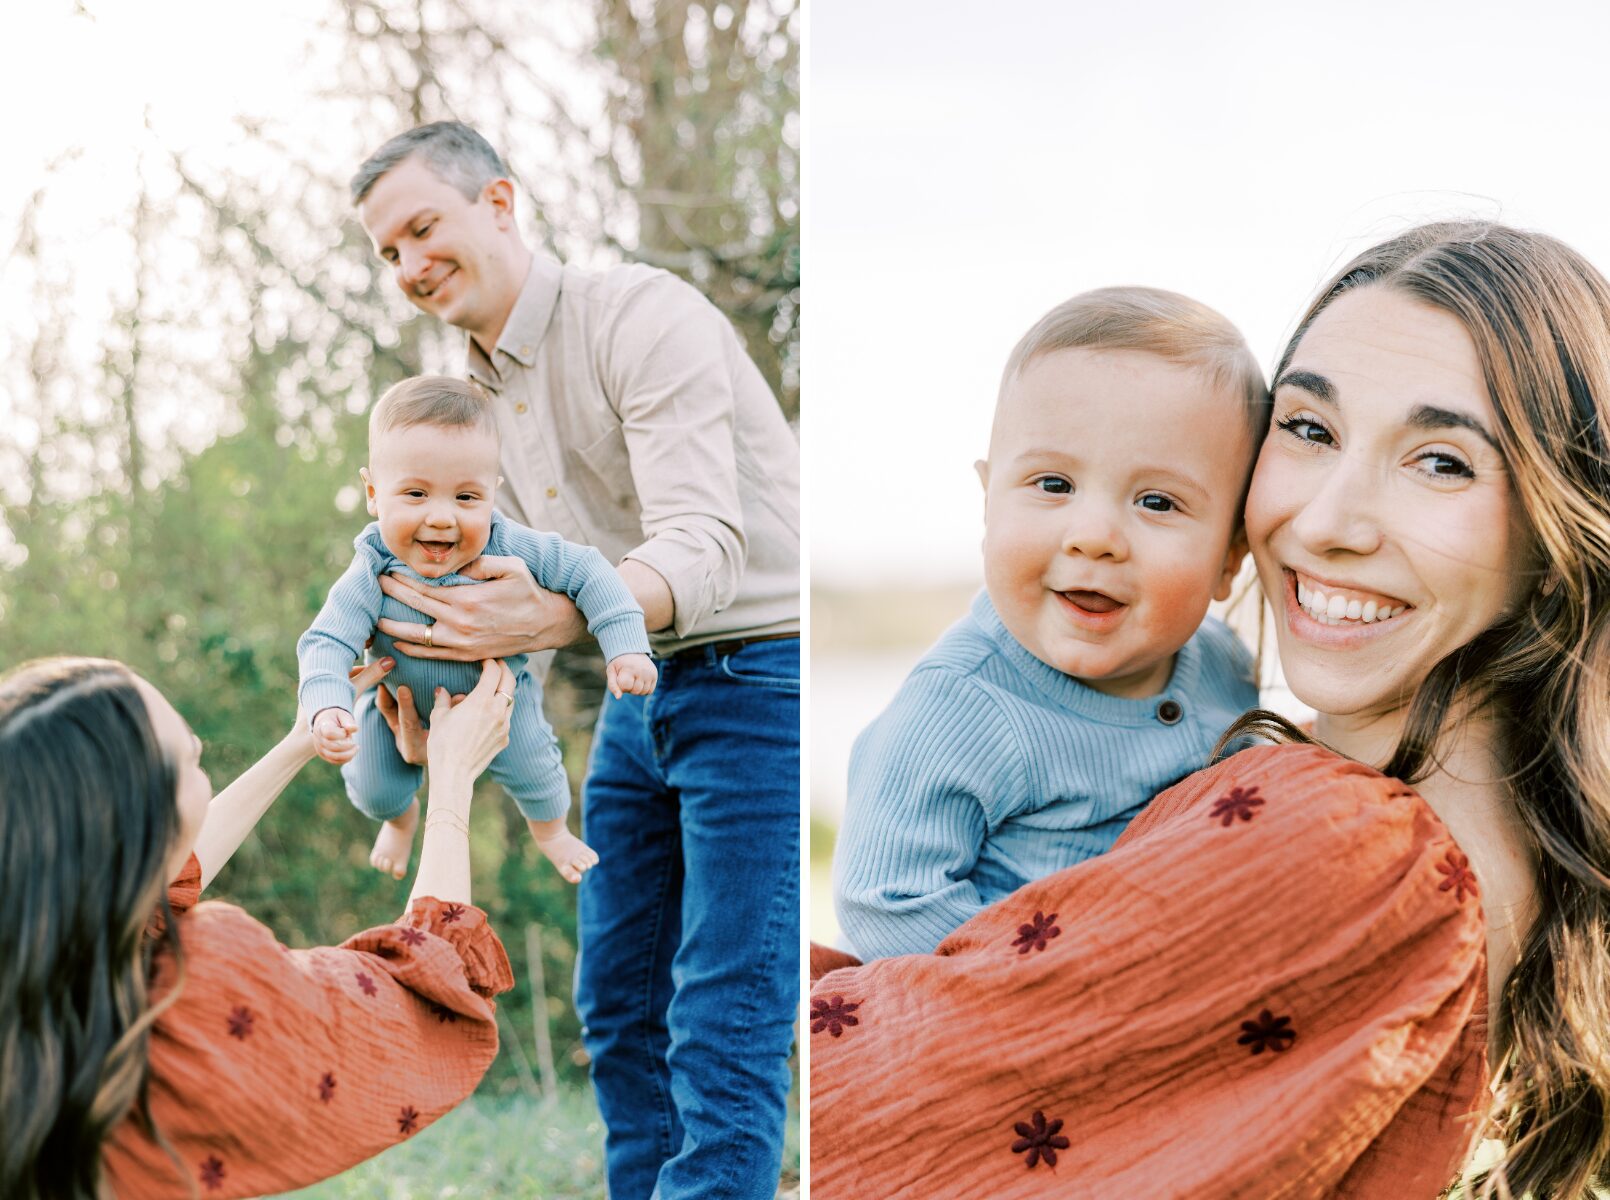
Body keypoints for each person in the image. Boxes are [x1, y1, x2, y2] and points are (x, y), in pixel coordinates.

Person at [810, 221, 1610, 1199]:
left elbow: (862, 1109)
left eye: (1438, 461)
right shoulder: (1417, 821)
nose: (1322, 522)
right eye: (1309, 430)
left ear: (1559, 525)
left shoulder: (1342, 847)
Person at [349, 121, 800, 1199]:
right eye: (386, 253)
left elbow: (704, 542)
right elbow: (498, 594)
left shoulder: (641, 319)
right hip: (639, 699)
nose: (409, 266)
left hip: (764, 681)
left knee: (722, 1011)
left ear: (499, 203)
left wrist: (550, 622)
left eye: (422, 229)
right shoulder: (461, 401)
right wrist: (431, 729)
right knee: (618, 1005)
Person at [834, 287, 1263, 960]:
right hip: (1020, 1014)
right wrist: (1047, 988)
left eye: (1157, 501)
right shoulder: (959, 707)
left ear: (1230, 558)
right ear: (987, 504)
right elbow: (883, 901)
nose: (1094, 537)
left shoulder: (1226, 667)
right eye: (1053, 485)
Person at [0, 652, 520, 1200]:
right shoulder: (197, 1003)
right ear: (145, 817)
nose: (200, 764)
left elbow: (141, 896)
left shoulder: (44, 976)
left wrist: (301, 740)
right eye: (191, 761)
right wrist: (454, 773)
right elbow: (423, 997)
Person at [298, 374, 655, 884]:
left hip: (496, 701)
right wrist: (327, 705)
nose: (442, 518)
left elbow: (590, 572)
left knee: (539, 773)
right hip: (395, 708)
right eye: (416, 493)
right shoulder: (372, 564)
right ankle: (401, 820)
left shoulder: (510, 545)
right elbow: (326, 641)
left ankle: (552, 833)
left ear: (493, 495)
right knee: (374, 788)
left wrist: (625, 648)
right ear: (375, 494)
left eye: (467, 497)